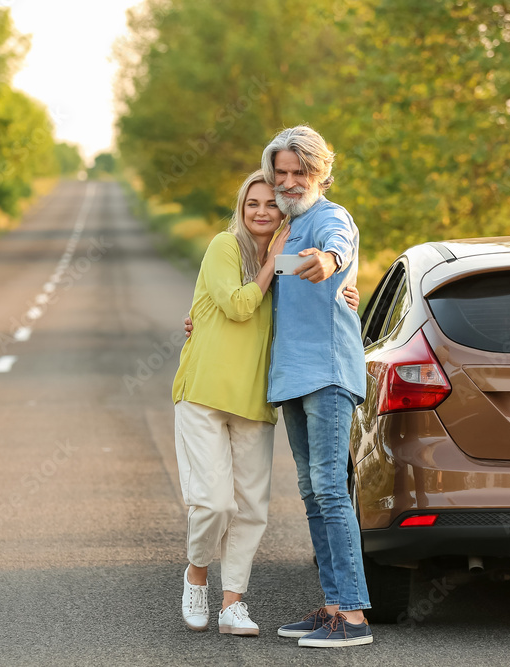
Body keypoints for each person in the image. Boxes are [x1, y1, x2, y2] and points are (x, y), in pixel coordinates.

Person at [173, 170, 359, 637]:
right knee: (214, 504)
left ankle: (233, 602)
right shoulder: (224, 247)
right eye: (252, 202)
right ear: (241, 208)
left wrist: (346, 294)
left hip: (256, 397)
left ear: (282, 212)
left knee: (253, 508)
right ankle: (197, 573)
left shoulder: (287, 259)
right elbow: (238, 306)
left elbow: (315, 298)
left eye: (270, 204)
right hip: (205, 392)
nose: (261, 211)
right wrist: (270, 264)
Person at [261, 125, 373, 648]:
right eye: (280, 172)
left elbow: (339, 249)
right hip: (293, 377)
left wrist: (331, 263)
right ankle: (331, 605)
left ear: (321, 173)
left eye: (298, 172)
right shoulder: (283, 225)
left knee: (330, 489)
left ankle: (352, 617)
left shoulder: (330, 218)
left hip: (327, 373)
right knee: (312, 493)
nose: (288, 181)